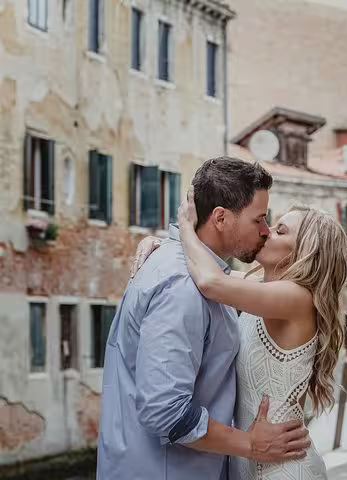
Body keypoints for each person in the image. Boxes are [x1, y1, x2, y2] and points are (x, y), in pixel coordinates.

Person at [97, 157, 310, 480]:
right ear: (221, 218)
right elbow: (166, 411)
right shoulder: (184, 287)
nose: (265, 231)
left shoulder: (206, 277)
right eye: (259, 220)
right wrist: (251, 444)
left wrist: (179, 236)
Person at [131, 187, 347, 479]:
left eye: (280, 231)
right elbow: (212, 271)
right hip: (254, 461)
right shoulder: (262, 289)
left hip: (285, 469)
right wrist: (164, 245)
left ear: (303, 253)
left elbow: (211, 281)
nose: (265, 231)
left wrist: (185, 228)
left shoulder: (298, 298)